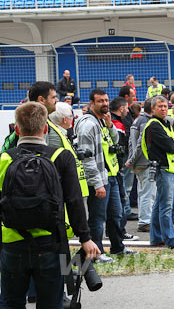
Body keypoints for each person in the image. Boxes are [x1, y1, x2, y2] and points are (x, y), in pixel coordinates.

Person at [0, 102, 100, 308]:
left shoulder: (5, 158)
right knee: (51, 302)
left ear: (17, 129)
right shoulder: (61, 156)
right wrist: (85, 238)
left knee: (10, 301)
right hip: (51, 242)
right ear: (45, 128)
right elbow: (74, 201)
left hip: (11, 242)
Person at [75, 89, 134, 262]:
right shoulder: (88, 124)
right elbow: (87, 158)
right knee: (97, 217)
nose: (105, 104)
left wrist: (110, 125)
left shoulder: (102, 121)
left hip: (112, 176)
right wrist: (97, 183)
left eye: (106, 100)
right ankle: (96, 253)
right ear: (92, 103)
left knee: (116, 215)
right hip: (100, 179)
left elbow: (115, 141)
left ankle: (118, 248)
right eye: (100, 101)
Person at [141, 95, 174, 249]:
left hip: (169, 168)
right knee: (166, 207)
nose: (163, 109)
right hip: (164, 169)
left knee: (158, 205)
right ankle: (170, 240)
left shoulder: (164, 124)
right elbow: (173, 146)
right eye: (159, 106)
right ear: (153, 108)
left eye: (164, 106)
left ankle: (156, 238)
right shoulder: (154, 125)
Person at [110, 97, 139, 239]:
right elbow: (120, 146)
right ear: (121, 108)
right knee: (121, 196)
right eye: (127, 108)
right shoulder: (117, 124)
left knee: (119, 197)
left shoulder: (112, 122)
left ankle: (115, 231)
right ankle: (118, 231)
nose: (128, 111)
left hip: (115, 166)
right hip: (117, 166)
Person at [127, 98, 155, 232]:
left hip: (139, 162)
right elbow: (140, 144)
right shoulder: (146, 122)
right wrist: (132, 160)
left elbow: (131, 143)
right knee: (148, 194)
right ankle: (145, 221)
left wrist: (131, 159)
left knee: (142, 192)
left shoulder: (138, 120)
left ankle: (144, 220)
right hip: (145, 162)